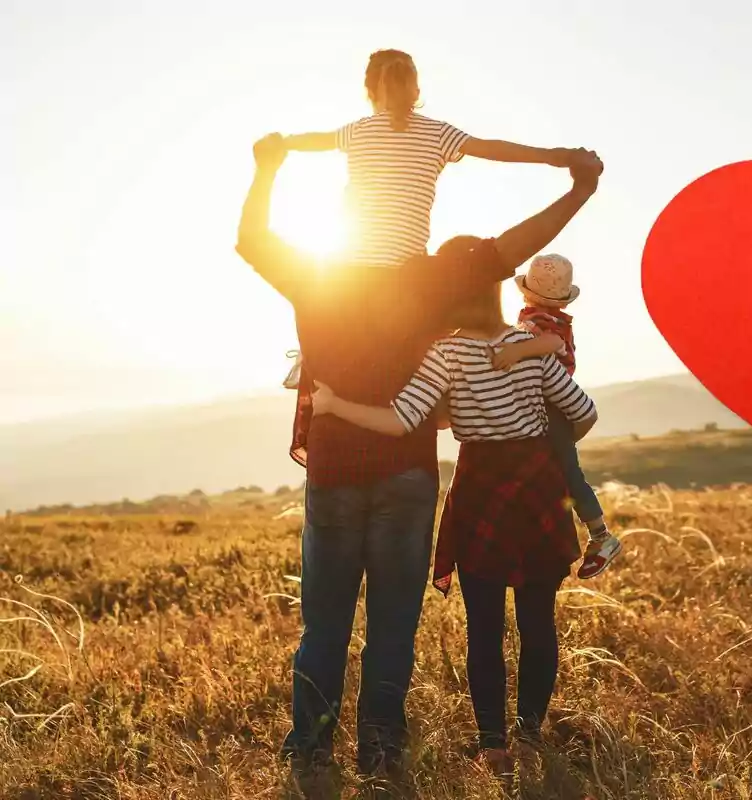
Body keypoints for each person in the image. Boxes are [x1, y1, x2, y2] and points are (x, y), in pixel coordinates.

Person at [233, 130, 603, 781]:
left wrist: (267, 169)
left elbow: (253, 241)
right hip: (405, 475)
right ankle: (380, 747)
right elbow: (511, 249)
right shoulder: (432, 278)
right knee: (392, 627)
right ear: (413, 204)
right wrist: (578, 187)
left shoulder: (316, 273)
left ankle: (310, 744)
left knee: (324, 627)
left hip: (332, 473)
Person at [308, 274, 598, 786]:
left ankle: (494, 746)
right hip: (536, 488)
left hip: (481, 490)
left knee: (484, 629)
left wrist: (333, 406)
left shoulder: (446, 353)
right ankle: (529, 734)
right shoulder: (527, 346)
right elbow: (583, 412)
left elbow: (402, 421)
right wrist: (542, 444)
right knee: (538, 624)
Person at [278, 48, 579, 387]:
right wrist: (554, 157)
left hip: (349, 272)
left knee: (318, 288)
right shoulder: (437, 133)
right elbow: (494, 148)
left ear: (370, 93)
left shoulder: (357, 131)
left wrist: (282, 144)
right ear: (416, 92)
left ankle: (311, 356)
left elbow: (315, 141)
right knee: (458, 283)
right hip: (408, 274)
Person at [490, 254, 622, 578]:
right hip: (546, 403)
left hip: (552, 404)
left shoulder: (545, 323)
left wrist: (515, 352)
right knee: (554, 470)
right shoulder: (544, 317)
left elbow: (550, 343)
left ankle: (601, 536)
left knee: (567, 471)